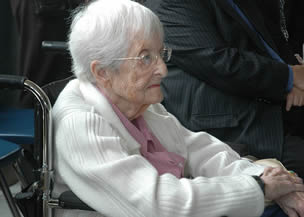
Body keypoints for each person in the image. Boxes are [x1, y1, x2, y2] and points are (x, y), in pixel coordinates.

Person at [52, 1, 304, 217]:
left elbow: (203, 151)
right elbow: (158, 203)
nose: (162, 69)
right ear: (102, 71)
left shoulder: (135, 104)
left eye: (161, 53)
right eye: (145, 58)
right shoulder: (81, 123)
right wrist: (258, 188)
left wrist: (274, 181)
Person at [144, 0, 304, 179]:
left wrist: (294, 80)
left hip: (269, 98)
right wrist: (289, 77)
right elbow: (220, 63)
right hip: (228, 121)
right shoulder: (169, 5)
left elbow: (270, 40)